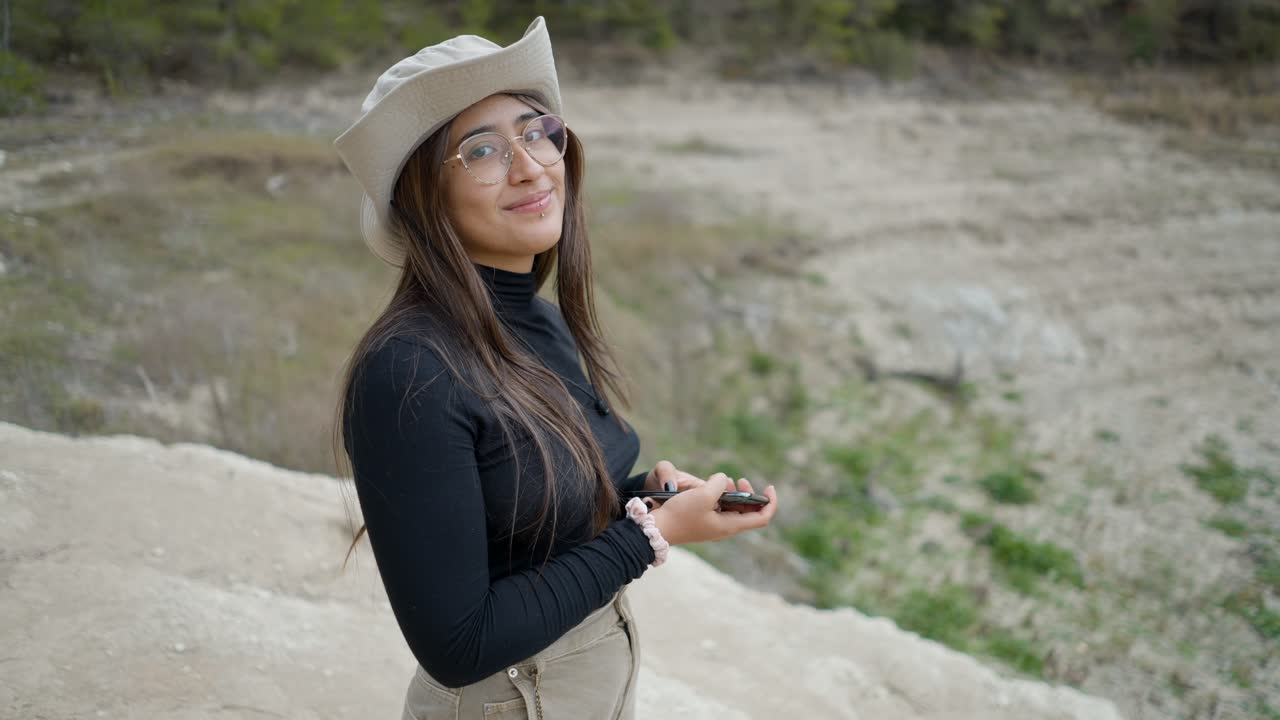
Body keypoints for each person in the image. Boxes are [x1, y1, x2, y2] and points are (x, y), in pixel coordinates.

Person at [331, 16, 779, 720]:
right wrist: (649, 536)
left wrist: (639, 495)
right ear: (423, 198)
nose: (531, 165)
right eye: (480, 150)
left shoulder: (534, 320)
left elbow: (524, 515)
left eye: (535, 131)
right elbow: (457, 641)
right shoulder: (408, 374)